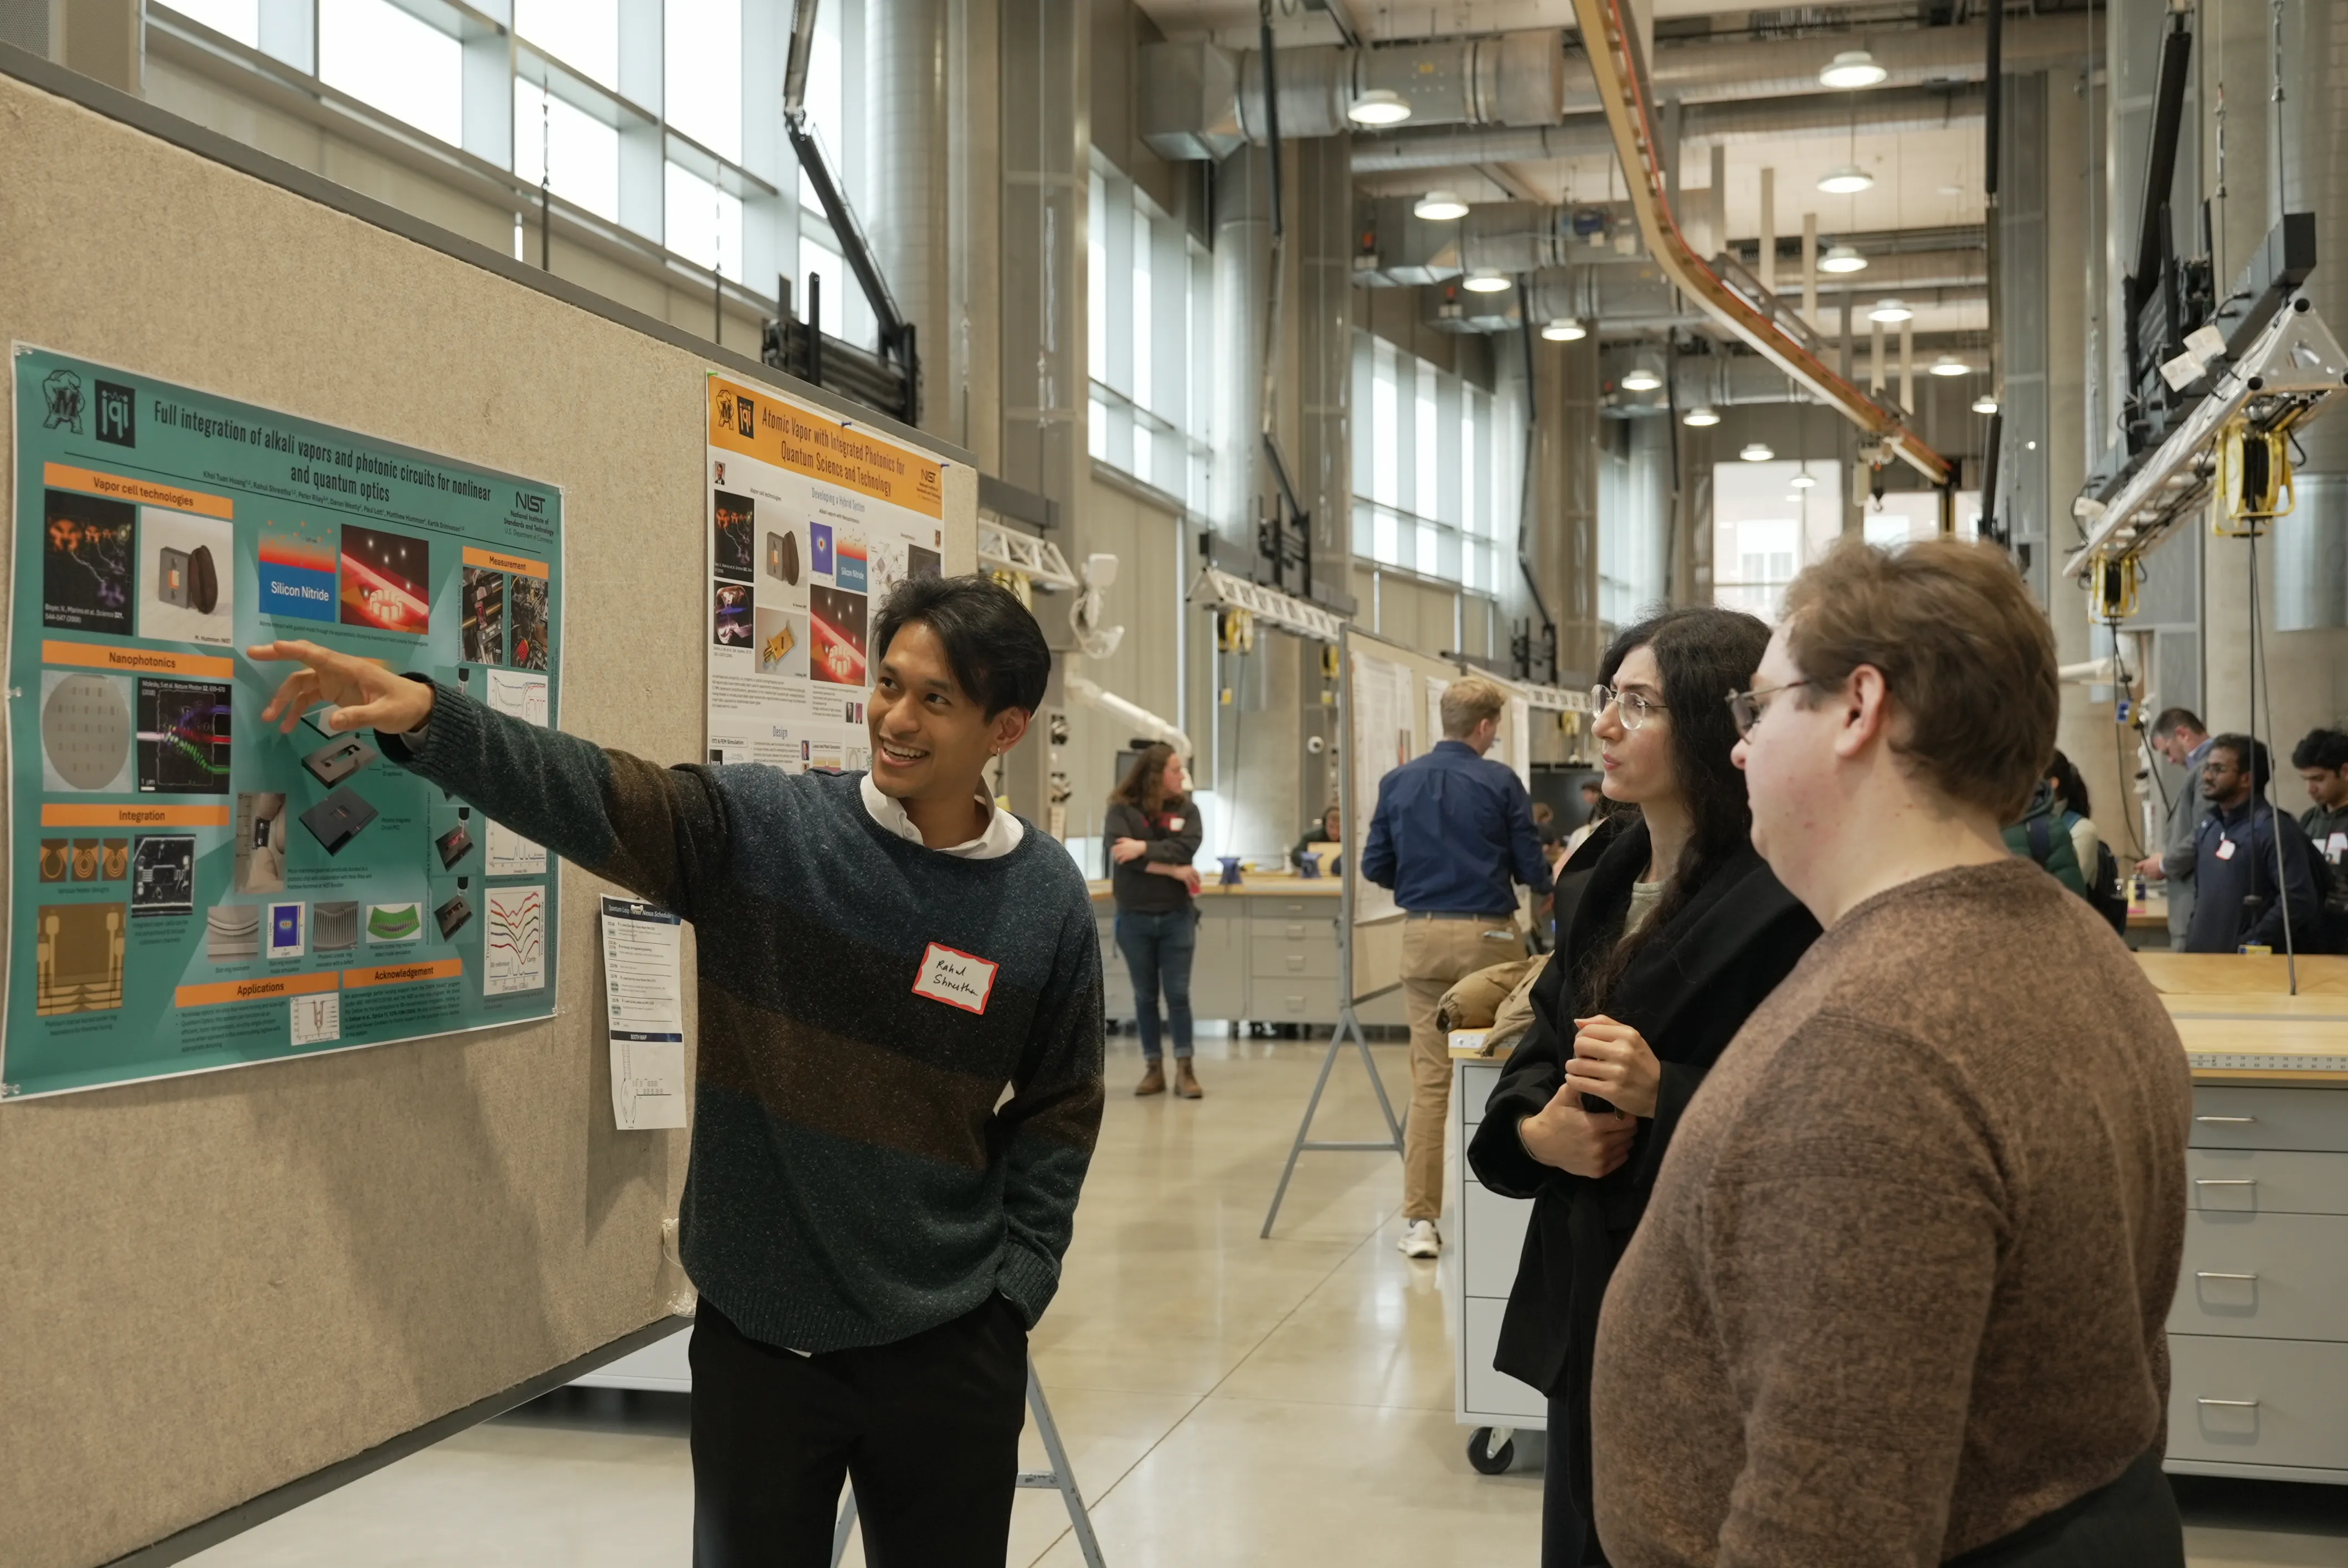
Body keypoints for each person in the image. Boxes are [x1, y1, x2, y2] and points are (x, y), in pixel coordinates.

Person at [249, 575, 1105, 1568]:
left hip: (950, 1343)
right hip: (765, 1348)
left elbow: (1062, 1101)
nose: (895, 718)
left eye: (935, 700)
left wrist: (1017, 1285)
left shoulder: (1042, 897)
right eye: (887, 683)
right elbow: (592, 790)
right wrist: (434, 718)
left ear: (1006, 729)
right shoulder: (766, 833)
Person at [1592, 538, 2191, 1566]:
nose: (1739, 749)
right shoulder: (2068, 945)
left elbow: (1828, 1525)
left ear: (1859, 708)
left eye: (1762, 708)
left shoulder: (1879, 1045)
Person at [1468, 608, 1819, 1568]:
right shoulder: (1599, 874)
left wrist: (1673, 1093)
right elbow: (1546, 1036)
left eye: (1640, 704)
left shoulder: (1790, 893)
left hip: (1708, 1282)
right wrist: (1537, 1132)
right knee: (1580, 1529)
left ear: (1712, 724)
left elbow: (1819, 1105)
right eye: (1608, 699)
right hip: (1585, 1270)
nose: (1607, 727)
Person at [1362, 673, 1554, 1260]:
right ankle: (1502, 1212)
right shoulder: (1499, 782)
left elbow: (1375, 864)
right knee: (1503, 1065)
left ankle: (1420, 1221)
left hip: (1421, 936)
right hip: (1489, 939)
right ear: (1487, 726)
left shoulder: (1397, 781)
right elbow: (1528, 864)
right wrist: (1546, 886)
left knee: (1429, 1083)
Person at [1106, 743, 1205, 1098]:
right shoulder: (1121, 810)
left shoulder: (1188, 810)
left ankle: (1185, 1070)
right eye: (1176, 770)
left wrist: (1144, 849)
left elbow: (1187, 848)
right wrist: (1174, 870)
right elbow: (1122, 856)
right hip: (1135, 918)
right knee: (1145, 997)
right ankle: (1153, 1069)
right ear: (1156, 775)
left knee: (1178, 995)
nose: (1182, 777)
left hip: (1177, 917)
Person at [2184, 734, 2323, 954]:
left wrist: (2250, 942)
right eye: (2207, 768)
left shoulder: (2273, 829)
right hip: (2202, 960)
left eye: (2219, 770)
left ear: (2246, 779)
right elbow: (2202, 896)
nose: (2207, 776)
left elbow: (2297, 901)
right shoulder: (2209, 826)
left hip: (2248, 969)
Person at [2005, 750, 2127, 933]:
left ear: (2052, 784)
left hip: (2067, 932)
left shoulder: (2082, 830)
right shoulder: (2019, 824)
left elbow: (2068, 895)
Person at [2137, 706, 2211, 945]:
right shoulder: (2201, 769)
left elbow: (2204, 832)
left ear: (2183, 734)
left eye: (2168, 751)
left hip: (2195, 906)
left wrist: (2164, 863)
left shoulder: (2207, 769)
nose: (2170, 760)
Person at [2295, 728, 2348, 953]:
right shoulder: (2309, 819)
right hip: (2317, 937)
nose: (2310, 789)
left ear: (2345, 771)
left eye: (2318, 779)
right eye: (2305, 780)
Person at [1290, 804, 1341, 874]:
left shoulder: (1350, 841)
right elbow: (1295, 855)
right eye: (1331, 827)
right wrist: (1307, 860)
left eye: (1339, 828)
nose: (1334, 832)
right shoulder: (1311, 838)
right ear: (1325, 825)